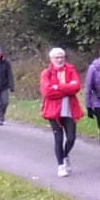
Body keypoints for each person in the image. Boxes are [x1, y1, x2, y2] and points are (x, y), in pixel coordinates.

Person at [38, 47, 84, 176]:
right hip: (53, 110)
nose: (59, 60)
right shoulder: (46, 73)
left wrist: (58, 87)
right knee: (58, 138)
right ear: (51, 59)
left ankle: (64, 155)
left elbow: (76, 87)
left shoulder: (70, 69)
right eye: (57, 57)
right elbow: (47, 92)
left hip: (69, 109)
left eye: (61, 57)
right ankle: (61, 165)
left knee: (71, 138)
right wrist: (66, 89)